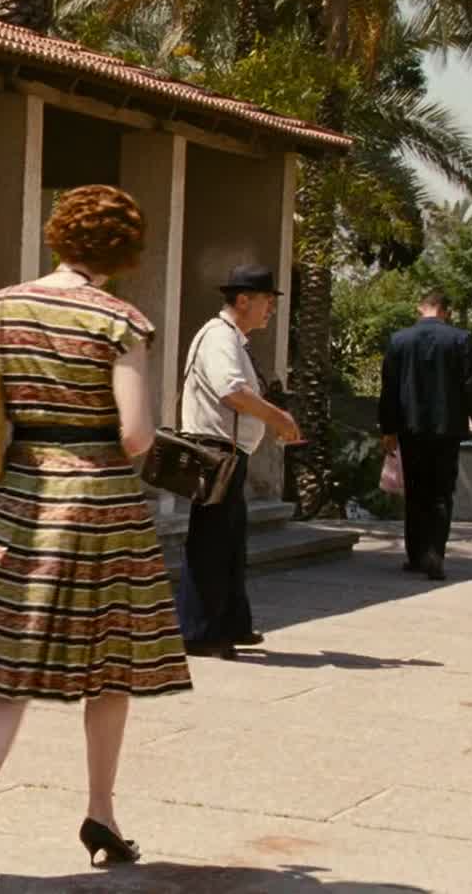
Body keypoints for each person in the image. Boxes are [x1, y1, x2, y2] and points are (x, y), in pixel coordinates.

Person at [0, 185, 192, 893]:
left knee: (6, 669)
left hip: (19, 496)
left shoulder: (1, 309)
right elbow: (135, 435)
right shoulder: (120, 322)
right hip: (102, 504)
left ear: (59, 236)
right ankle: (101, 813)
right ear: (125, 250)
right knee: (112, 665)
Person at [175, 264, 302, 657]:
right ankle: (199, 631)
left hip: (228, 452)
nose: (271, 310)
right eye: (266, 301)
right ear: (243, 300)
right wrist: (278, 418)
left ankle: (230, 625)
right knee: (212, 543)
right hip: (216, 452)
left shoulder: (231, 338)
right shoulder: (219, 337)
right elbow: (231, 391)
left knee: (228, 543)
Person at [378, 290, 472, 581]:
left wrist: (387, 428)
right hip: (446, 428)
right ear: (446, 311)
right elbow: (471, 386)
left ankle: (416, 555)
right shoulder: (460, 339)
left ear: (420, 308)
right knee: (441, 492)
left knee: (416, 491)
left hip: (410, 427)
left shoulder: (399, 340)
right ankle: (435, 554)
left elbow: (389, 388)